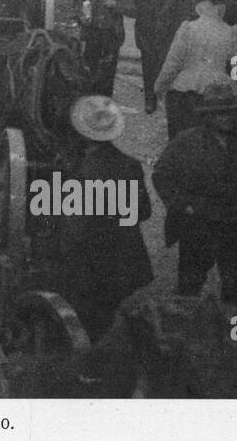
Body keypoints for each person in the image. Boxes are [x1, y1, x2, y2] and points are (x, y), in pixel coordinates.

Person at [30, 96, 153, 341]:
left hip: (93, 265)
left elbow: (77, 230)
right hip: (127, 260)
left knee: (92, 325)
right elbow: (144, 211)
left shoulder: (85, 174)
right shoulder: (130, 165)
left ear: (82, 134)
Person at [152, 82, 237, 309]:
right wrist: (183, 205)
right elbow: (161, 176)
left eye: (229, 112)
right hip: (198, 226)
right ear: (206, 116)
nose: (225, 118)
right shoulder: (186, 142)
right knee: (189, 291)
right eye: (218, 113)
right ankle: (187, 337)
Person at [155, 0, 237, 139]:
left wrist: (160, 86)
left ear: (198, 4)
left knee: (184, 142)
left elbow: (172, 64)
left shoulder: (187, 28)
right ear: (220, 6)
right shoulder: (232, 31)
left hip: (185, 94)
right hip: (218, 96)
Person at [128, 0, 173, 113]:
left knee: (166, 66)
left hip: (166, 34)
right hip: (145, 33)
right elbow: (133, 9)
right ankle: (150, 99)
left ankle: (164, 97)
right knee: (148, 67)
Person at [77, 0, 125, 97]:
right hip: (93, 33)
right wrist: (83, 17)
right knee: (89, 66)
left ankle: (105, 98)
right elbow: (80, 5)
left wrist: (116, 5)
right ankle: (89, 96)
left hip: (111, 35)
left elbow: (133, 9)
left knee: (108, 71)